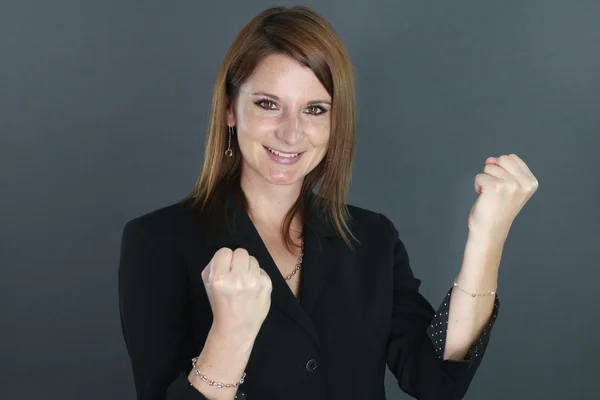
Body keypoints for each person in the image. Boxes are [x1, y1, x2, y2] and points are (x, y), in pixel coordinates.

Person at [117, 5, 538, 400]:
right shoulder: (158, 241)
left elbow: (436, 380)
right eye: (268, 104)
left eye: (315, 109)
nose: (291, 132)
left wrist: (488, 238)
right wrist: (229, 335)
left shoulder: (371, 238)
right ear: (230, 109)